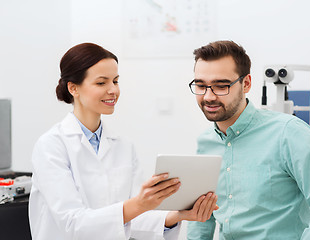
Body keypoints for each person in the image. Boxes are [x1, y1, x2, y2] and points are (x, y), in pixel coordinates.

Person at [29, 43, 218, 240]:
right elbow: (72, 223)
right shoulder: (51, 146)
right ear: (73, 88)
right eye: (101, 83)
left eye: (116, 81)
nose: (113, 90)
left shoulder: (123, 146)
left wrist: (178, 215)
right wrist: (139, 204)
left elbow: (132, 220)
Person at [186, 40, 310, 239]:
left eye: (221, 86)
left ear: (246, 83)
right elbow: (202, 218)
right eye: (201, 85)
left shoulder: (289, 134)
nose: (208, 96)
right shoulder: (206, 142)